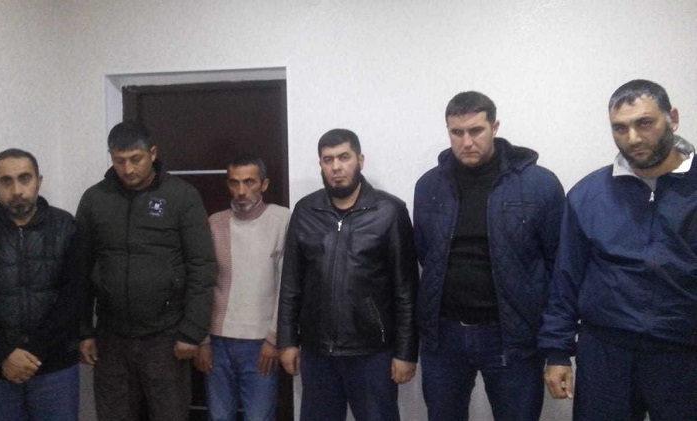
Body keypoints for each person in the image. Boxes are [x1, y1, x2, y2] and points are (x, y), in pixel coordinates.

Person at [539, 79, 697, 420]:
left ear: (672, 118)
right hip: (605, 354)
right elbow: (566, 278)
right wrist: (557, 352)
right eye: (620, 128)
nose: (633, 138)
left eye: (645, 123)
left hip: (684, 354)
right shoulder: (588, 194)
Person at [413, 91, 565, 421]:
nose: (467, 142)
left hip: (512, 336)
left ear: (495, 127)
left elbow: (560, 269)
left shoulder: (539, 184)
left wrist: (558, 347)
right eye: (457, 132)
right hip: (443, 336)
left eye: (476, 131)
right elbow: (426, 253)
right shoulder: (428, 186)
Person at [76, 121, 216, 421]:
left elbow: (202, 266)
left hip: (165, 337)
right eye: (119, 160)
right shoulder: (95, 199)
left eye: (135, 159)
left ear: (152, 153)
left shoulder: (181, 196)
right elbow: (80, 269)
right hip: (111, 337)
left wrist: (192, 332)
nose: (127, 169)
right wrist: (84, 331)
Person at [277, 128, 419, 421]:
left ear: (360, 160)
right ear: (320, 164)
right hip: (317, 352)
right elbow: (291, 283)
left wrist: (406, 352)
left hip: (372, 353)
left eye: (344, 157)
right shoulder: (305, 211)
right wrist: (287, 340)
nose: (336, 167)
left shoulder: (389, 211)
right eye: (328, 159)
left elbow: (406, 288)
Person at [0, 148, 82, 420]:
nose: (17, 190)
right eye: (6, 181)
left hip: (55, 365)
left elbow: (73, 298)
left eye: (25, 178)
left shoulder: (65, 227)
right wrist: (6, 355)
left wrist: (34, 353)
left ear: (39, 180)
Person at [194, 155, 290, 421]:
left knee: (259, 417)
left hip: (261, 343)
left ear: (264, 184)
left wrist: (274, 338)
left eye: (249, 182)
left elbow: (287, 286)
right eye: (234, 183)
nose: (241, 191)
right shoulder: (215, 222)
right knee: (218, 416)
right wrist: (202, 340)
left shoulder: (281, 219)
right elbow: (201, 282)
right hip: (218, 341)